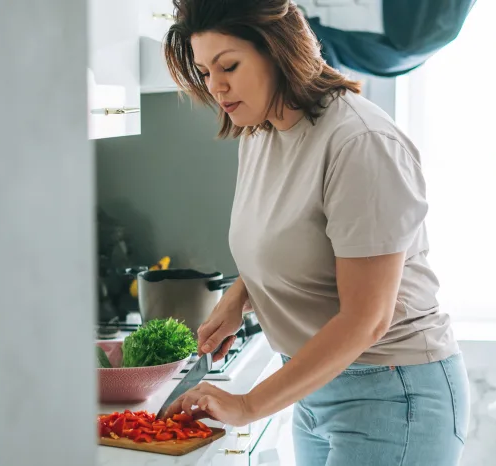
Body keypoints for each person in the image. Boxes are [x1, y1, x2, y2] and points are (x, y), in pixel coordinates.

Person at [161, 1, 469, 464]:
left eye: (229, 65)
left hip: (393, 392)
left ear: (279, 51)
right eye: (205, 72)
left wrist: (247, 405)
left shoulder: (359, 143)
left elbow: (367, 319)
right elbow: (302, 236)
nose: (216, 87)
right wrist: (240, 295)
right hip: (314, 386)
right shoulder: (260, 133)